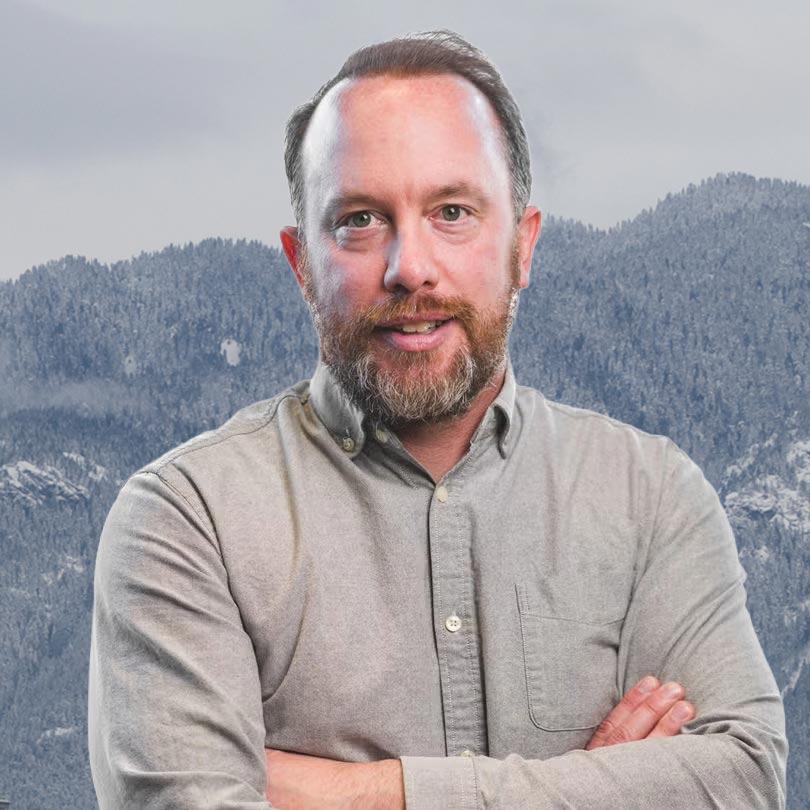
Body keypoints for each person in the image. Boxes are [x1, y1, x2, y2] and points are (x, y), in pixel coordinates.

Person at [88, 30, 787, 809]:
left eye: (452, 211)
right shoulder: (187, 523)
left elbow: (744, 778)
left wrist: (364, 794)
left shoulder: (652, 496)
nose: (408, 267)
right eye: (359, 220)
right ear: (300, 264)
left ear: (523, 248)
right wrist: (594, 786)